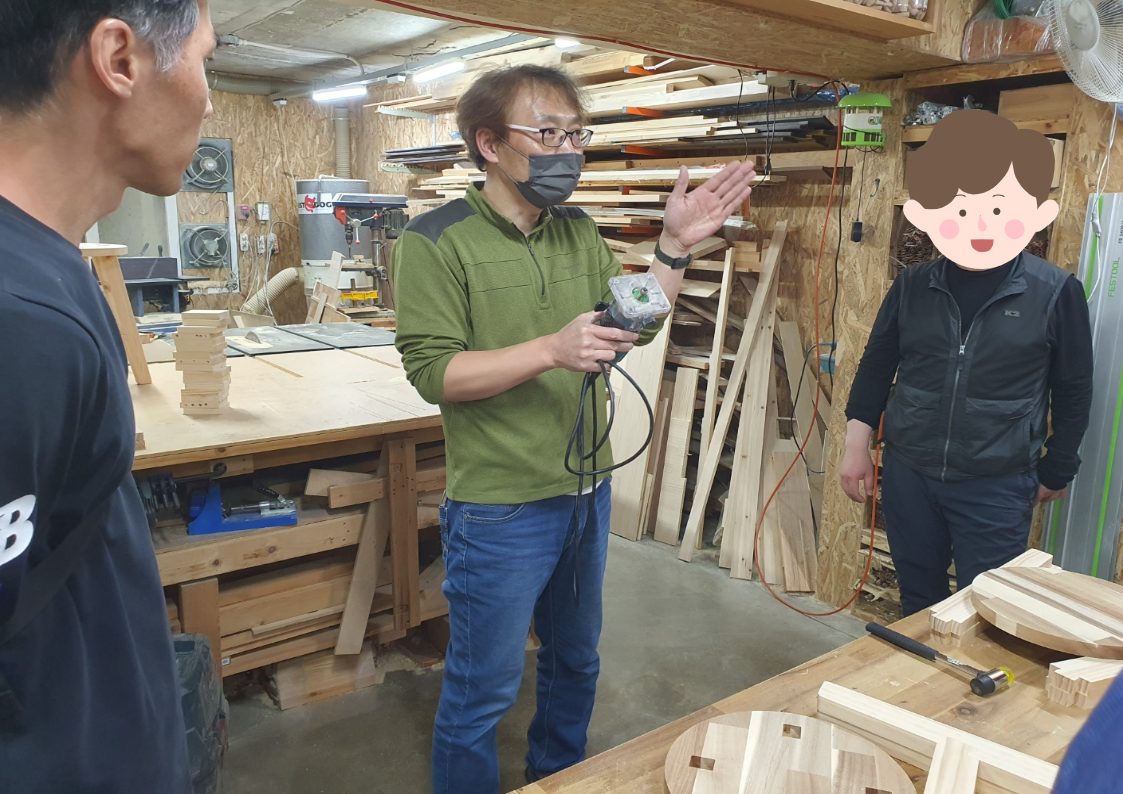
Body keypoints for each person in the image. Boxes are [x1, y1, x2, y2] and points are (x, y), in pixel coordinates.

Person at [391, 65, 755, 792]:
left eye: (575, 135)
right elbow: (434, 372)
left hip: (585, 492)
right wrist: (550, 351)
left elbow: (632, 323)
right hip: (500, 504)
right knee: (482, 689)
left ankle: (557, 777)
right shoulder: (434, 240)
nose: (568, 152)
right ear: (489, 144)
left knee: (575, 662)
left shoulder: (577, 230)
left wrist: (673, 248)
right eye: (548, 134)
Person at [0, 1, 216, 790]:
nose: (207, 100)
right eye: (206, 61)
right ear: (119, 59)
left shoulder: (48, 267)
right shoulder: (18, 320)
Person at [839, 109, 1094, 616]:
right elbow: (876, 366)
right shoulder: (914, 285)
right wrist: (855, 447)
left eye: (997, 207)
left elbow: (1074, 387)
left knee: (987, 611)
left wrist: (1059, 467)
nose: (978, 224)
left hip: (997, 482)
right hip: (911, 473)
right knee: (919, 601)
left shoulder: (1055, 291)